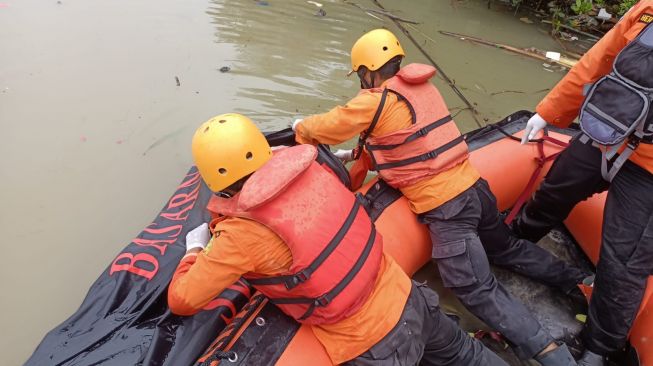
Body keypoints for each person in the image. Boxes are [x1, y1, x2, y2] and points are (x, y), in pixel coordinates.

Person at [293, 29, 584, 365]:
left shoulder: (376, 101)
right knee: (506, 247)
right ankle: (575, 280)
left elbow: (329, 125)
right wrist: (352, 159)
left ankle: (551, 355)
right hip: (476, 188)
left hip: (448, 209)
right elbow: (403, 143)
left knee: (475, 288)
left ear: (367, 71)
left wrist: (301, 127)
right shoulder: (420, 89)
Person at [168, 113, 506, 365]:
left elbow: (183, 299)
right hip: (408, 295)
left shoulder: (240, 234)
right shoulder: (314, 169)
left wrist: (195, 249)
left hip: (374, 342)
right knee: (467, 354)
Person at [513, 1, 653, 365]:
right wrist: (548, 112)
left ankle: (599, 348)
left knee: (622, 262)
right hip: (610, 133)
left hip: (650, 170)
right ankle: (515, 240)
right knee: (558, 185)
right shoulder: (645, 13)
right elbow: (600, 59)